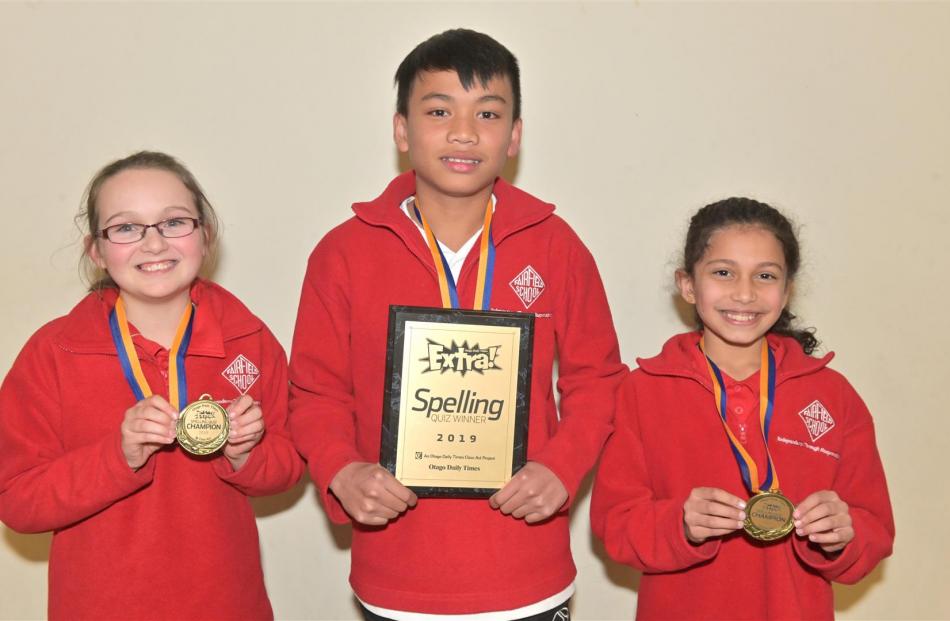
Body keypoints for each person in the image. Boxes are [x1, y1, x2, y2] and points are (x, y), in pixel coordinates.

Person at [289, 29, 625, 619]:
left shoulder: (557, 248)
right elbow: (315, 393)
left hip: (528, 571)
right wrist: (342, 471)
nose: (464, 132)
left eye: (488, 113)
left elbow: (597, 380)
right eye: (439, 110)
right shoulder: (342, 254)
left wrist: (561, 466)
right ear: (401, 129)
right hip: (398, 576)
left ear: (515, 136)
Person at [0, 151, 303, 620]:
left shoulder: (249, 339)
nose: (154, 243)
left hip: (227, 604)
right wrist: (116, 457)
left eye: (174, 222)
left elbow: (287, 468)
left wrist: (247, 453)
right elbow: (17, 501)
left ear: (206, 234)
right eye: (125, 228)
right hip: (98, 607)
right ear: (96, 251)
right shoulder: (54, 352)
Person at [590, 197, 894, 619]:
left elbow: (874, 530)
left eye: (765, 276)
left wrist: (844, 534)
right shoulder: (641, 393)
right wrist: (678, 523)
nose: (745, 293)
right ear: (688, 285)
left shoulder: (834, 395)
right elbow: (615, 526)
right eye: (723, 273)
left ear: (786, 290)